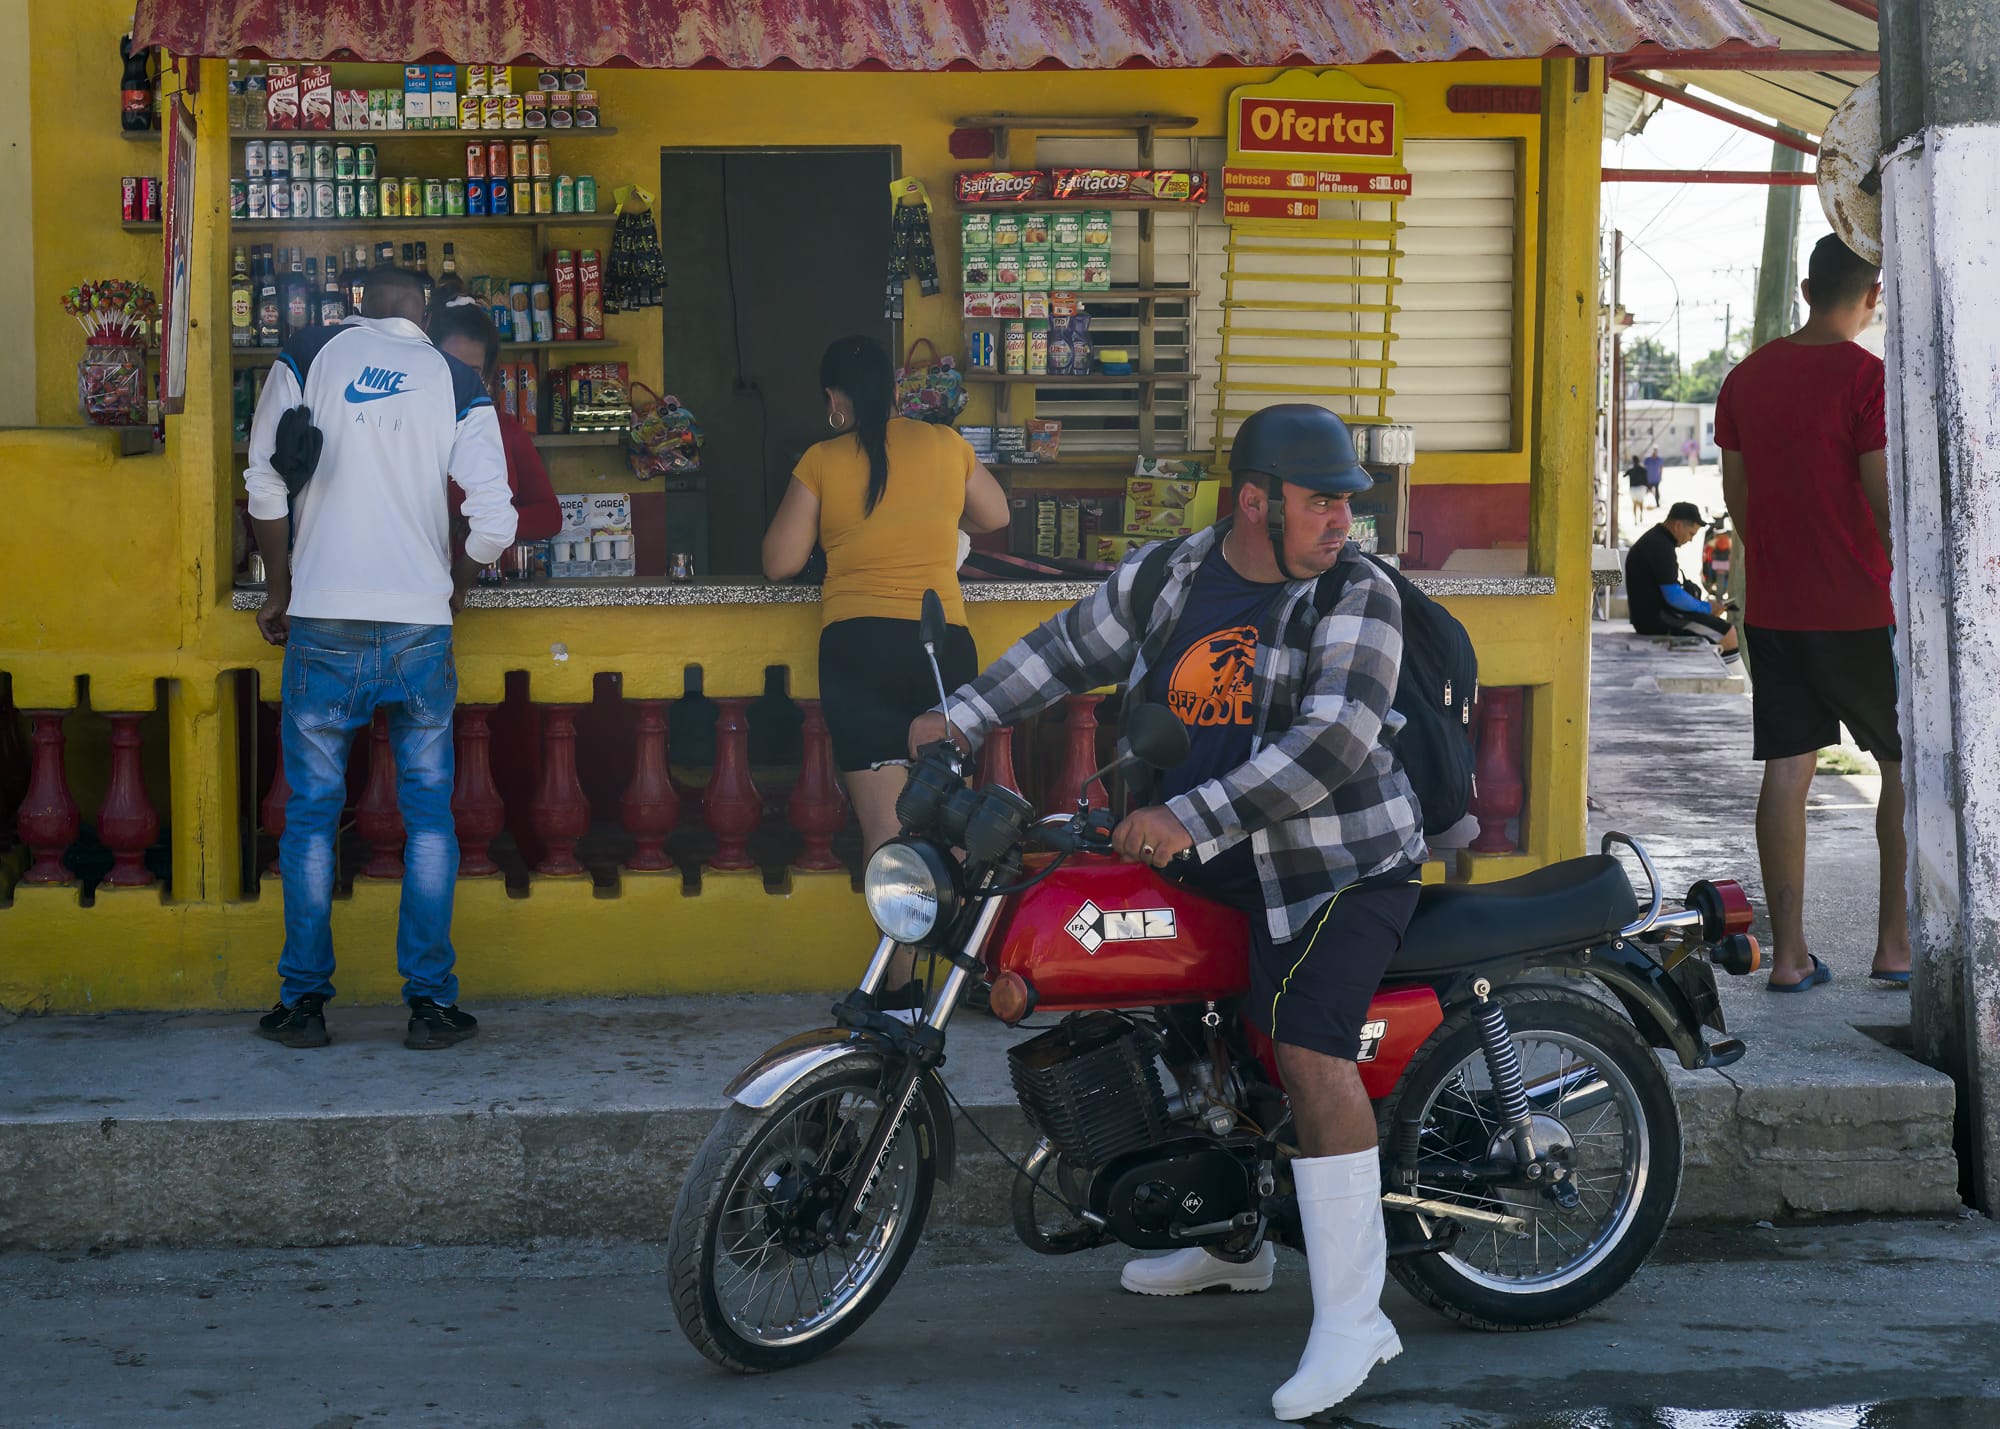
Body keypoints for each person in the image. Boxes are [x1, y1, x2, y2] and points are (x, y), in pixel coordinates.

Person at [908, 403, 1426, 1422]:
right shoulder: (1170, 574)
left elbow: (1334, 741)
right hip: (1201, 854)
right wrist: (959, 714)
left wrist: (1189, 814)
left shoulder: (1357, 592)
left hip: (1331, 864)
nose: (1341, 520)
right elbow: (1064, 650)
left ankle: (1354, 1318)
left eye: (1345, 502)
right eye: (1320, 502)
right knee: (1183, 1021)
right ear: (1253, 500)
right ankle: (1232, 1238)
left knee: (1304, 1048)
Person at [242, 267, 517, 1050]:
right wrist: (453, 587)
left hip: (323, 621)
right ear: (425, 311)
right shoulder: (456, 380)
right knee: (429, 816)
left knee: (311, 818)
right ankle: (430, 1005)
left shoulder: (308, 353)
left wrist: (280, 590)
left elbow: (264, 484)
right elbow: (494, 523)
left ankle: (303, 1004)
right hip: (417, 631)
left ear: (358, 303)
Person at [761, 335, 1009, 995]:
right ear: (896, 390)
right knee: (951, 818)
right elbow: (995, 514)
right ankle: (961, 973)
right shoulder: (946, 444)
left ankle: (899, 988)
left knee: (887, 829)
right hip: (941, 645)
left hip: (860, 649)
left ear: (834, 398)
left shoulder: (822, 459)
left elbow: (780, 561)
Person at [1717, 233, 1906, 990]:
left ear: (1805, 290)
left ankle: (1789, 957)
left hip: (1776, 608)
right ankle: (1894, 946)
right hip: (1860, 605)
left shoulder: (1745, 379)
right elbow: (1883, 499)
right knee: (1901, 766)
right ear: (1873, 297)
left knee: (1788, 768)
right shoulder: (1868, 378)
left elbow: (1738, 501)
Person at [427, 296, 564, 551]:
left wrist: (487, 525)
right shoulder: (402, 428)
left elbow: (549, 517)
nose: (458, 381)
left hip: (488, 571)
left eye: (471, 373)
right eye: (449, 367)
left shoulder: (506, 430)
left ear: (488, 374)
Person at [1624, 501, 1741, 664]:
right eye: (1691, 534)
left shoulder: (1656, 540)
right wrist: (1707, 608)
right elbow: (1673, 596)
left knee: (1718, 627)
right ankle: (1730, 679)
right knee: (1727, 634)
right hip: (1658, 619)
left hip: (1654, 616)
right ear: (1678, 525)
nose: (1690, 540)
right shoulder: (1660, 546)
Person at [1624, 454, 1650, 528]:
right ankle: (1641, 514)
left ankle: (1635, 519)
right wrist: (1648, 488)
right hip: (1641, 488)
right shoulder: (1643, 469)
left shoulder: (1631, 469)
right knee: (1641, 502)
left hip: (1633, 489)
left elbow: (1624, 475)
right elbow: (1646, 480)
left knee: (1634, 504)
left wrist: (1626, 466)